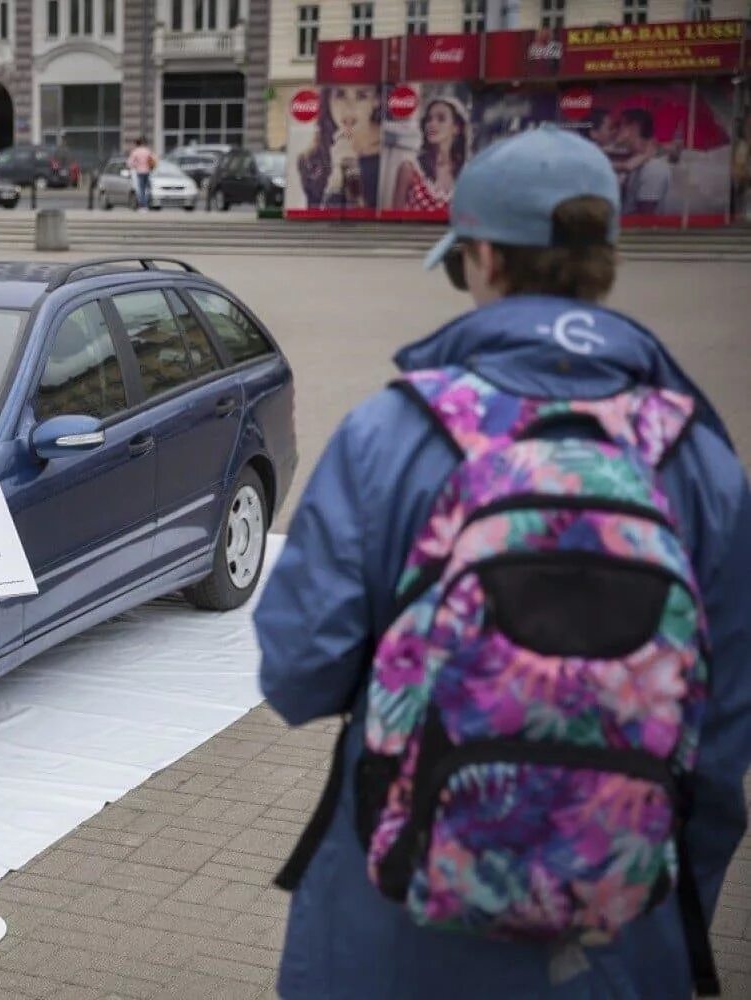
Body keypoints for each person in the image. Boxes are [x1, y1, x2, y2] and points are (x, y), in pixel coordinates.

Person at [255, 125, 751, 999]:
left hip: (390, 923)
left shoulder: (391, 433)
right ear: (607, 254)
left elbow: (298, 674)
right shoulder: (700, 461)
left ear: (481, 256)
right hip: (615, 940)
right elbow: (720, 745)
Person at [298, 85, 381, 209]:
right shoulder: (311, 158)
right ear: (328, 100)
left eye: (361, 96)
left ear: (376, 100)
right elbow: (319, 223)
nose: (349, 108)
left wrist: (351, 167)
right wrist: (336, 175)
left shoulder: (393, 153)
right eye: (340, 95)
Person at [393, 97, 468, 212]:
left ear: (456, 128)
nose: (432, 124)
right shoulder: (410, 169)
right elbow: (394, 221)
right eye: (429, 119)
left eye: (441, 119)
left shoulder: (465, 173)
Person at [618, 108, 671, 215]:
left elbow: (644, 217)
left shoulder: (653, 168)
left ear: (633, 128)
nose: (617, 131)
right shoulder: (635, 161)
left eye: (621, 126)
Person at [127, 137, 156, 212]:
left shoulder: (135, 152)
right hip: (147, 172)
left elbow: (130, 163)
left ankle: (142, 206)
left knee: (141, 189)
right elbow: (153, 159)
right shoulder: (147, 150)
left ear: (136, 144)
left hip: (139, 172)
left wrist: (136, 165)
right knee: (147, 189)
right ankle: (146, 204)